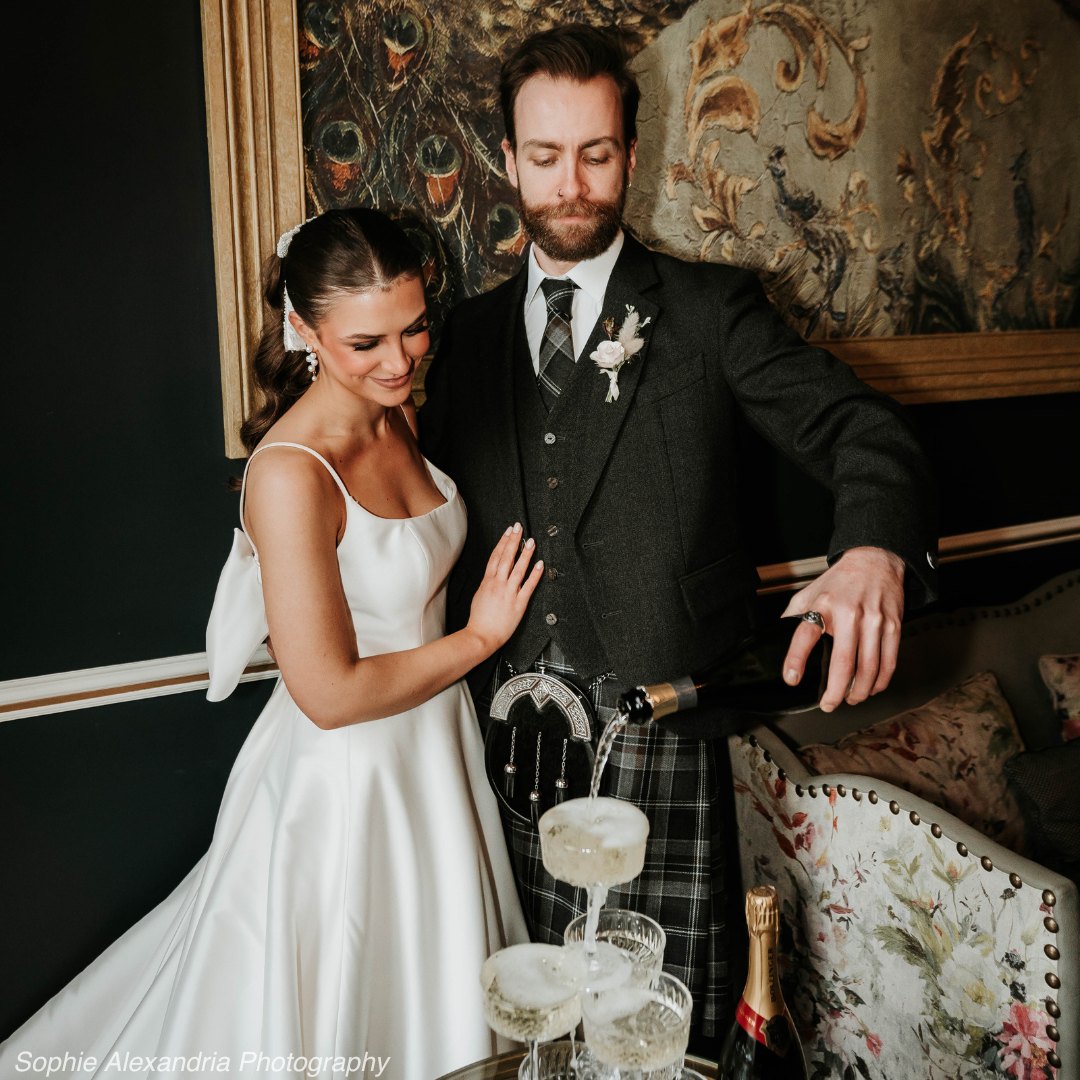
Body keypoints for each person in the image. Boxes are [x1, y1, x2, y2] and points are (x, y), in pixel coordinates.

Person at [419, 25, 937, 1054]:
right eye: (547, 156)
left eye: (597, 153)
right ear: (508, 161)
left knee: (665, 1035)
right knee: (540, 1035)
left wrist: (872, 547)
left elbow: (864, 431)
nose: (573, 184)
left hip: (665, 737)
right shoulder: (459, 340)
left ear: (633, 155)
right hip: (504, 751)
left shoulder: (709, 313)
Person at [0, 208, 540, 1079]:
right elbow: (327, 695)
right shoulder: (291, 474)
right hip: (351, 787)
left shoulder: (390, 410)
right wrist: (480, 636)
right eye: (366, 342)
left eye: (413, 328)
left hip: (436, 757)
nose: (400, 360)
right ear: (304, 330)